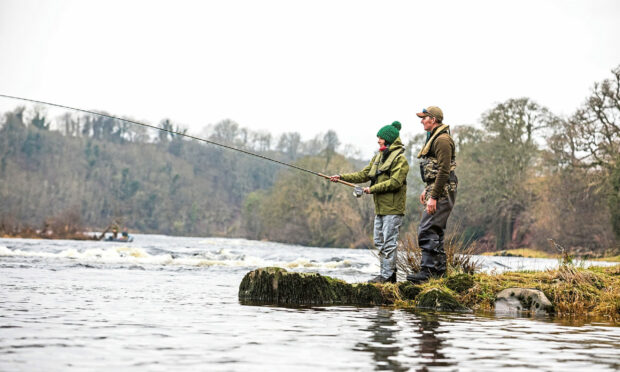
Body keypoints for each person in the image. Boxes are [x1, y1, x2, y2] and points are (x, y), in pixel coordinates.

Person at [330, 121, 409, 283]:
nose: (378, 140)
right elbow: (363, 175)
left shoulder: (400, 160)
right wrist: (341, 177)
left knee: (389, 243)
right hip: (380, 208)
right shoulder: (378, 157)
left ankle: (388, 277)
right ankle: (386, 275)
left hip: (393, 209)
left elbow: (395, 182)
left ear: (389, 139)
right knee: (379, 242)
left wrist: (371, 189)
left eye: (380, 138)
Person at [407, 106, 458, 284]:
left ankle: (428, 271)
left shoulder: (442, 140)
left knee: (427, 229)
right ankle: (439, 272)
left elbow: (444, 170)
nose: (422, 121)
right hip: (437, 188)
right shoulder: (437, 137)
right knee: (436, 230)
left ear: (433, 120)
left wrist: (434, 196)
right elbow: (435, 171)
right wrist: (427, 189)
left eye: (424, 118)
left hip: (442, 191)